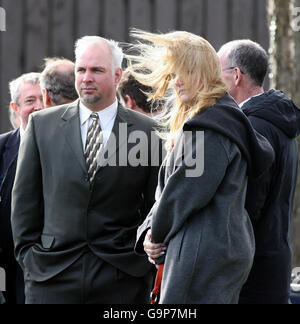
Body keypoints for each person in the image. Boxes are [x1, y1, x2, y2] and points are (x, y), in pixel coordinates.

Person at [11, 36, 162, 304]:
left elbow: (154, 206)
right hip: (51, 278)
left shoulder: (148, 132)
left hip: (121, 280)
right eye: (81, 70)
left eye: (97, 70)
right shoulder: (41, 126)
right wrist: (30, 260)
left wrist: (140, 264)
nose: (86, 78)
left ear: (117, 76)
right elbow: (24, 202)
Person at [130, 29, 275, 304]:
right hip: (204, 250)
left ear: (199, 71)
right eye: (171, 76)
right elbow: (172, 191)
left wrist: (153, 234)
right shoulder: (213, 119)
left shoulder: (213, 125)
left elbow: (182, 192)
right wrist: (147, 234)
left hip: (203, 256)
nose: (174, 83)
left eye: (180, 73)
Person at [218, 39, 300, 304]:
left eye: (218, 72)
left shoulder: (253, 127)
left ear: (236, 76)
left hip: (251, 272)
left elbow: (247, 206)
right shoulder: (278, 120)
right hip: (274, 261)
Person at [0, 72, 43, 304]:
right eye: (30, 101)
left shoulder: (66, 146)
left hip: (48, 264)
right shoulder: (1, 148)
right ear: (15, 107)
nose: (38, 107)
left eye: (42, 98)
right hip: (7, 268)